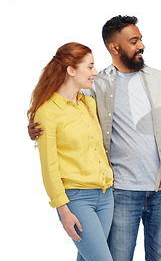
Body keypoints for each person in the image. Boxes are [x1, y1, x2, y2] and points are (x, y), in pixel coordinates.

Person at [28, 16, 161, 261]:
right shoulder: (94, 87)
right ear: (114, 47)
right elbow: (57, 110)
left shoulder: (158, 81)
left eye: (141, 39)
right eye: (134, 41)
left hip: (147, 189)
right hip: (117, 191)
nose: (141, 45)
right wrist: (35, 127)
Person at [28, 42, 114, 261]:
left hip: (106, 196)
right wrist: (63, 211)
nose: (95, 72)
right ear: (71, 70)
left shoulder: (89, 104)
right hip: (77, 199)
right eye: (90, 66)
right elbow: (49, 167)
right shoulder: (47, 112)